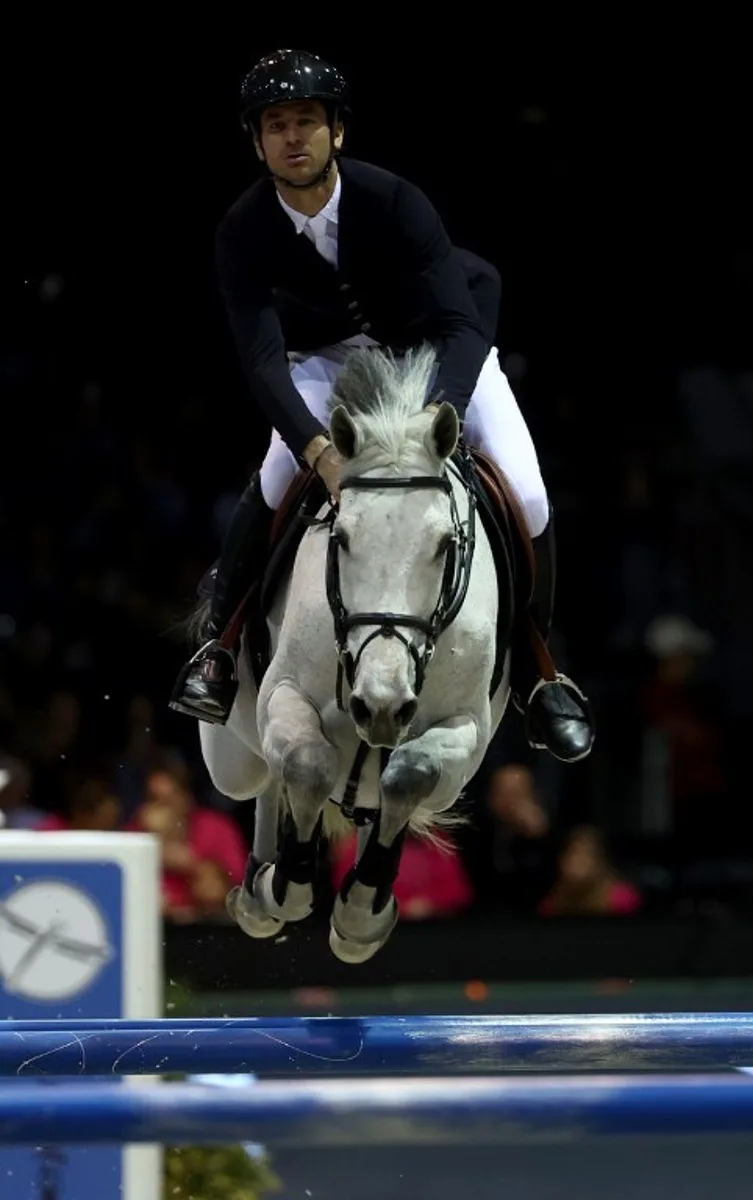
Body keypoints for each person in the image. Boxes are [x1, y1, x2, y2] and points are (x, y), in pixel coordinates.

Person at [169, 48, 593, 764]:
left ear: (337, 132)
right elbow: (262, 360)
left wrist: (433, 424)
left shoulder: (394, 199)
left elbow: (460, 326)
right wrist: (317, 451)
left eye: (307, 121)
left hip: (434, 349)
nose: (293, 137)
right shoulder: (241, 230)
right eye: (276, 125)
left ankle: (537, 672)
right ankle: (222, 645)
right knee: (275, 482)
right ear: (257, 141)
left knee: (528, 491)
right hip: (327, 361)